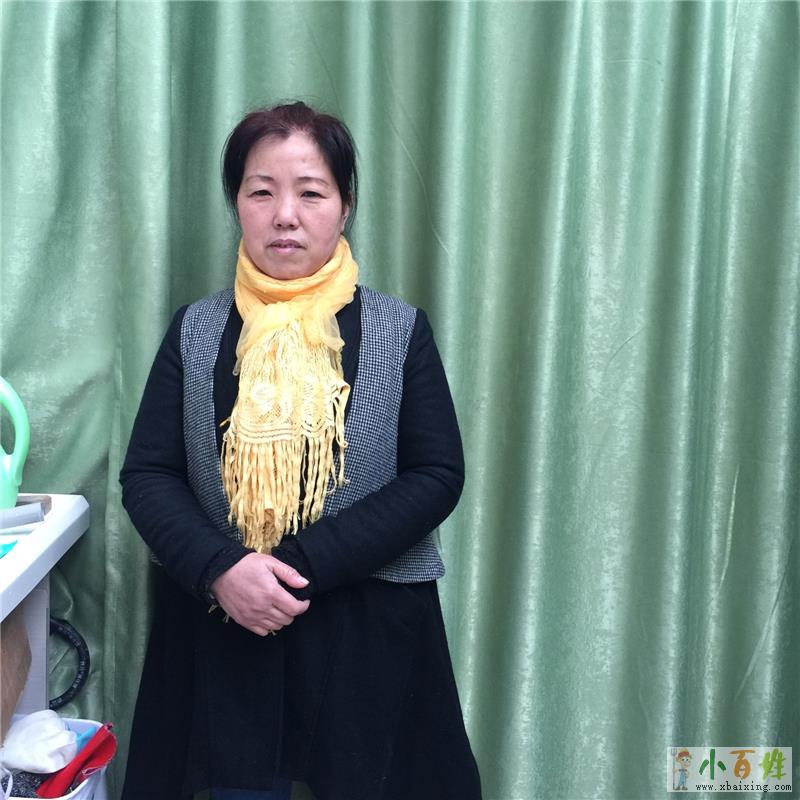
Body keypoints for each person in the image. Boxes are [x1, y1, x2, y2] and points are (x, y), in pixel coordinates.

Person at [120, 101, 481, 800]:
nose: (285, 215)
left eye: (311, 192)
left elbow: (436, 473)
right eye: (262, 191)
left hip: (364, 625)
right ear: (237, 203)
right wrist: (222, 569)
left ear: (345, 207)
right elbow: (149, 473)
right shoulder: (196, 329)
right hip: (226, 624)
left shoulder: (399, 328)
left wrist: (300, 566)